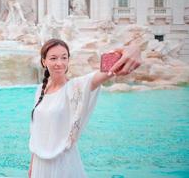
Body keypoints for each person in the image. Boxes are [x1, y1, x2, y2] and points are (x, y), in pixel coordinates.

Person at [28, 38, 142, 178]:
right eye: (53, 58)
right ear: (44, 62)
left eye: (64, 58)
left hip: (63, 164)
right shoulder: (40, 90)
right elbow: (37, 133)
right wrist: (32, 167)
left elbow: (105, 72)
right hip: (40, 165)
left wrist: (135, 49)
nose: (60, 63)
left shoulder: (76, 87)